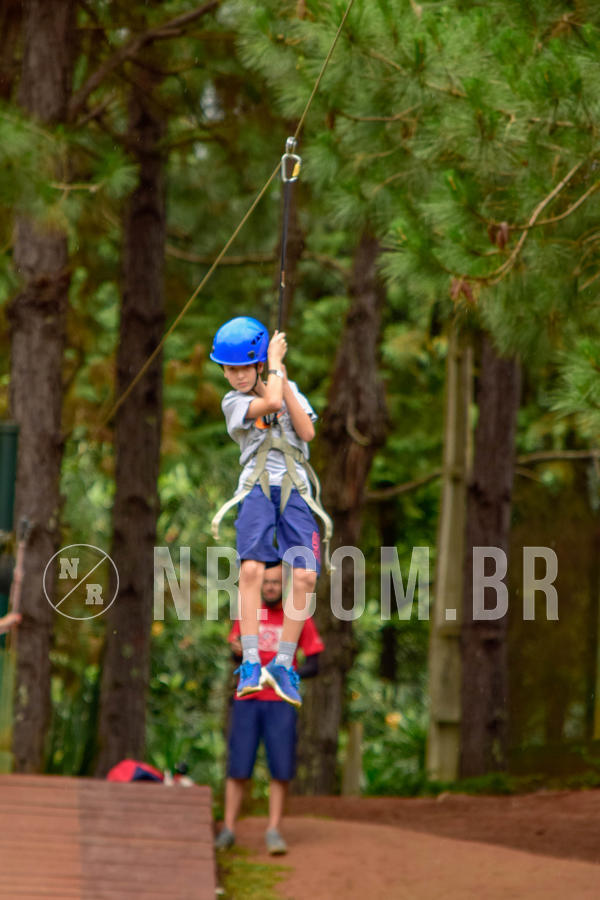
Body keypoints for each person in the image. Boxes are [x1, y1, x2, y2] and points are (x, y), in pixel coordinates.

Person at [210, 316, 325, 708]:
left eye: (245, 366)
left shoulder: (285, 387)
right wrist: (274, 366)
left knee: (306, 575)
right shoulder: (234, 402)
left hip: (296, 488)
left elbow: (307, 433)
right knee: (252, 570)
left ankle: (282, 664)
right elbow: (270, 402)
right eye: (230, 369)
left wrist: (283, 377)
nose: (238, 376)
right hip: (258, 486)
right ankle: (251, 662)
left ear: (256, 364)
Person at [216, 563, 324, 854]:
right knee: (238, 766)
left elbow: (315, 660)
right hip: (247, 701)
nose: (271, 587)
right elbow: (233, 655)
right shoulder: (248, 613)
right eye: (267, 582)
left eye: (276, 582)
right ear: (260, 584)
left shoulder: (297, 615)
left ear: (285, 584)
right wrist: (239, 655)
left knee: (281, 768)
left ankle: (274, 829)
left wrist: (285, 675)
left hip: (280, 703)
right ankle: (228, 828)